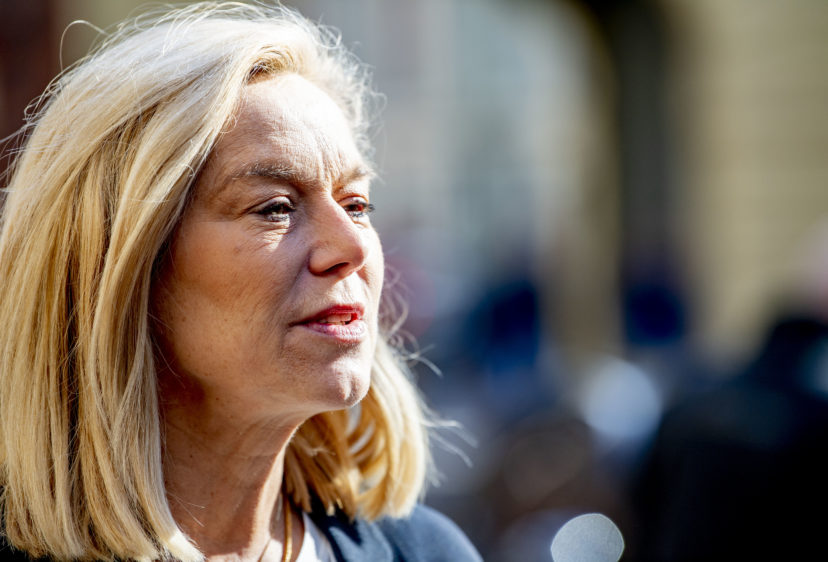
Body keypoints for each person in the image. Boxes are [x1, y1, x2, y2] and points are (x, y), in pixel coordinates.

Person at [0, 3, 481, 561]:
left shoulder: (425, 552)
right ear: (121, 267)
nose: (350, 248)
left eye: (356, 204)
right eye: (275, 207)